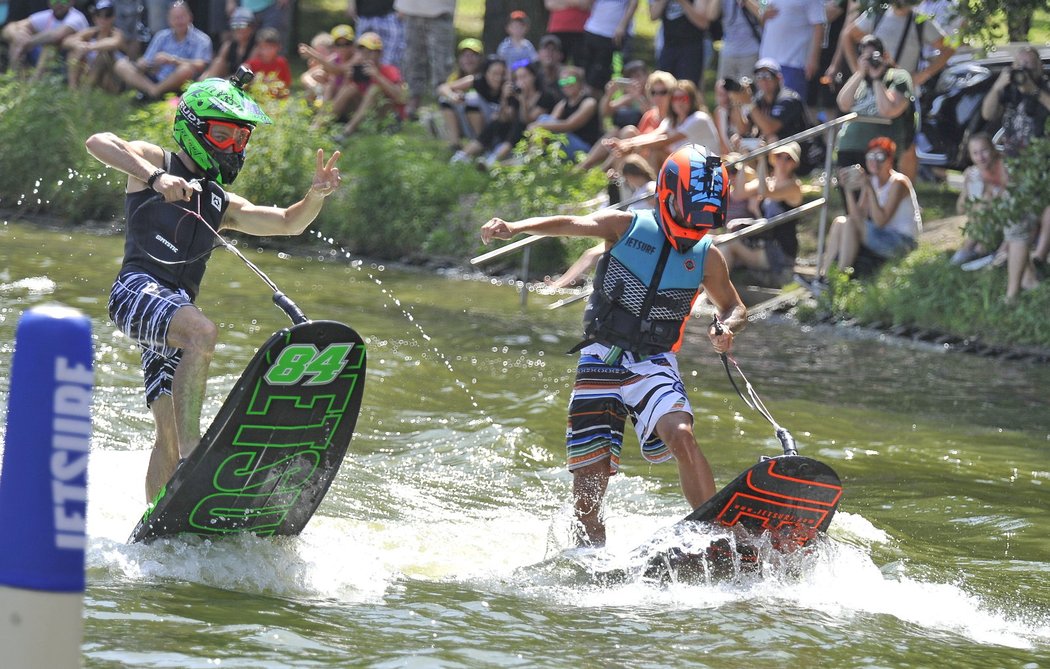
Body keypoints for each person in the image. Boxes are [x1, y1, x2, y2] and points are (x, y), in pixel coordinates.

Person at [84, 74, 342, 501]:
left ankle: (160, 517)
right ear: (194, 127)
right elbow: (98, 141)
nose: (233, 147)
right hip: (135, 290)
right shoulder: (155, 162)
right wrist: (154, 178)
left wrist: (315, 196)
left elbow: (286, 223)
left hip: (174, 314)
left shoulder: (221, 202)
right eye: (223, 135)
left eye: (241, 138)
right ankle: (195, 451)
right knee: (202, 332)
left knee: (166, 425)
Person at [480, 143, 747, 547]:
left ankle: (712, 536)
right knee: (591, 479)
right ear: (668, 195)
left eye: (706, 219)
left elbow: (734, 306)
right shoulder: (625, 226)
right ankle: (591, 552)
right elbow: (571, 221)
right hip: (599, 358)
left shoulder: (707, 257)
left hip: (653, 362)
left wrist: (726, 327)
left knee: (682, 435)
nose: (697, 228)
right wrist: (515, 227)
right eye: (691, 214)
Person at [817, 136, 921, 283]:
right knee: (841, 221)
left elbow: (880, 221)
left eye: (880, 157)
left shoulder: (899, 182)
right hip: (883, 236)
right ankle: (824, 275)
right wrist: (847, 189)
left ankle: (837, 279)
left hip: (902, 242)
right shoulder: (872, 181)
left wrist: (869, 188)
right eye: (871, 157)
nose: (875, 162)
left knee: (850, 223)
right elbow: (856, 216)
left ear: (890, 160)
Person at [718, 141, 802, 281]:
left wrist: (761, 159)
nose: (782, 160)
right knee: (720, 244)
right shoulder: (769, 181)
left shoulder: (793, 186)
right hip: (764, 246)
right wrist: (744, 161)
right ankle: (706, 293)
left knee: (728, 243)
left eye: (788, 158)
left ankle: (707, 294)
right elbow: (739, 193)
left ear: (795, 164)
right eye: (779, 156)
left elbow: (764, 191)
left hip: (781, 254)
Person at [833, 35, 915, 172]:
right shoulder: (860, 79)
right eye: (866, 57)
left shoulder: (898, 76)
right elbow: (843, 104)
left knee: (877, 192)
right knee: (850, 190)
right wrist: (860, 73)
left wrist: (876, 79)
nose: (871, 61)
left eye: (874, 56)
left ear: (885, 56)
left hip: (880, 151)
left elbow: (888, 110)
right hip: (849, 146)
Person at [606, 78, 718, 173]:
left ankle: (654, 192)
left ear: (692, 100)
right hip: (687, 168)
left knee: (655, 152)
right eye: (675, 99)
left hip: (706, 169)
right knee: (647, 150)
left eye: (683, 98)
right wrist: (624, 143)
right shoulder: (672, 121)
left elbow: (666, 140)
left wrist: (631, 146)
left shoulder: (699, 118)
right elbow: (654, 135)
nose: (679, 102)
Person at [114, 0, 212, 100]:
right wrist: (143, 64)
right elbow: (146, 61)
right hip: (156, 77)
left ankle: (154, 93)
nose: (179, 21)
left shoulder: (202, 39)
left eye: (182, 17)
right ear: (169, 20)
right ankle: (154, 91)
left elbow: (201, 65)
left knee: (186, 69)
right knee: (121, 65)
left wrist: (173, 60)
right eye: (175, 18)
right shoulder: (161, 36)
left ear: (190, 17)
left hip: (181, 83)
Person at [330, 30, 406, 140]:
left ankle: (347, 132)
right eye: (361, 51)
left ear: (379, 53)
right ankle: (320, 126)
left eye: (369, 51)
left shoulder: (389, 70)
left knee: (374, 89)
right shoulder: (358, 71)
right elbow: (342, 94)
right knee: (350, 89)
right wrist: (348, 78)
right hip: (364, 115)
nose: (365, 55)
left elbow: (402, 98)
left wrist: (377, 76)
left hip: (388, 117)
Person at [395, 0, 456, 120]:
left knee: (441, 60)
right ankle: (414, 99)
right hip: (411, 10)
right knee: (413, 59)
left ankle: (443, 101)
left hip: (440, 11)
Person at [528, 64, 603, 161]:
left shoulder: (589, 102)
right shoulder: (563, 103)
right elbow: (551, 121)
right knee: (544, 119)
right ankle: (532, 157)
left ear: (580, 82)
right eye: (563, 82)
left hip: (584, 148)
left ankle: (531, 158)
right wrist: (540, 125)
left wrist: (538, 125)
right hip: (567, 143)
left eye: (570, 80)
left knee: (543, 121)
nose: (567, 84)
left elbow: (569, 125)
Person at [950, 132, 1004, 266]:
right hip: (982, 226)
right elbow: (961, 209)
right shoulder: (974, 174)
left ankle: (967, 250)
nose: (980, 157)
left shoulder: (1003, 168)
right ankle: (972, 250)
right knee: (980, 247)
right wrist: (966, 188)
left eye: (984, 150)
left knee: (985, 202)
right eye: (975, 153)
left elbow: (1000, 203)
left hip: (1003, 222)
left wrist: (988, 191)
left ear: (992, 149)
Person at [2, 0, 89, 78]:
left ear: (72, 1)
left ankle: (33, 84)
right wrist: (18, 36)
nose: (58, 3)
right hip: (42, 60)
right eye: (54, 0)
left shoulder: (76, 17)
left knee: (50, 46)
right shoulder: (46, 15)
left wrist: (28, 42)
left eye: (63, 0)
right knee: (17, 39)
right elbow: (9, 28)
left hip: (68, 63)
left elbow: (56, 35)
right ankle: (16, 81)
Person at [63, 0, 126, 92]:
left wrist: (90, 47)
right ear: (94, 18)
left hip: (110, 79)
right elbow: (67, 41)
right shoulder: (90, 32)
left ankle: (85, 91)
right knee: (73, 53)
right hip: (89, 72)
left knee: (103, 55)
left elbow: (113, 43)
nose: (103, 19)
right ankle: (72, 89)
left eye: (107, 15)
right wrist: (79, 45)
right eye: (99, 15)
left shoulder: (116, 33)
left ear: (113, 17)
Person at [649, 0, 708, 89]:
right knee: (663, 87)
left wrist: (683, 3)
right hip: (669, 47)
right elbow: (653, 15)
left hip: (691, 48)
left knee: (687, 88)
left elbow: (703, 23)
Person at [199, 5, 254, 80]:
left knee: (246, 67)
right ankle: (206, 84)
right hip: (229, 78)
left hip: (246, 81)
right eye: (234, 25)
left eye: (242, 25)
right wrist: (203, 79)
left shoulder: (255, 46)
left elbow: (249, 69)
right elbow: (217, 64)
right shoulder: (228, 45)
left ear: (251, 27)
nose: (238, 29)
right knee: (218, 62)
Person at [346, 0, 403, 67]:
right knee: (361, 55)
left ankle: (388, 75)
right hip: (364, 15)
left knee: (390, 58)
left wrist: (402, 6)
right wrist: (351, 4)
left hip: (389, 14)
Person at [244, 26, 290, 98]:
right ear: (258, 48)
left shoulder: (281, 63)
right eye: (263, 47)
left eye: (270, 47)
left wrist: (275, 82)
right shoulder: (252, 63)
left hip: (276, 100)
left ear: (278, 47)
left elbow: (286, 85)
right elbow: (245, 85)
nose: (266, 51)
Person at [544, 0, 590, 66]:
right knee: (554, 64)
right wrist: (576, 4)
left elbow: (586, 4)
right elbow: (550, 4)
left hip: (581, 30)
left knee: (582, 66)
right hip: (557, 29)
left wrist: (562, 3)